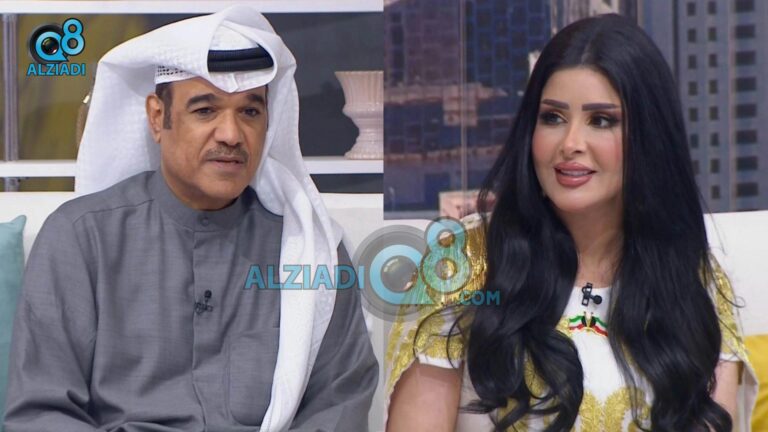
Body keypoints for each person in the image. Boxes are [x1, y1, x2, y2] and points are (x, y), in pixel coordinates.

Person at [4, 6, 377, 431]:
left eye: (250, 112)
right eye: (205, 110)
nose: (231, 134)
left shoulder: (309, 250)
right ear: (157, 117)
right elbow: (41, 413)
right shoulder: (81, 238)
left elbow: (339, 403)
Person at [385, 14, 757, 432]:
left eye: (601, 120)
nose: (571, 143)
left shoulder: (695, 279)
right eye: (553, 117)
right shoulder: (457, 264)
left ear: (649, 137)